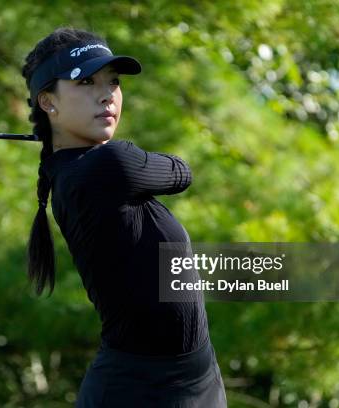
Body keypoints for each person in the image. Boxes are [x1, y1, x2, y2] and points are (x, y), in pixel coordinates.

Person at [21, 27, 227, 407]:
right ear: (48, 102)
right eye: (85, 82)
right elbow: (182, 172)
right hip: (139, 391)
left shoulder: (71, 169)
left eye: (113, 82)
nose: (106, 95)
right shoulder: (111, 163)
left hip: (195, 380)